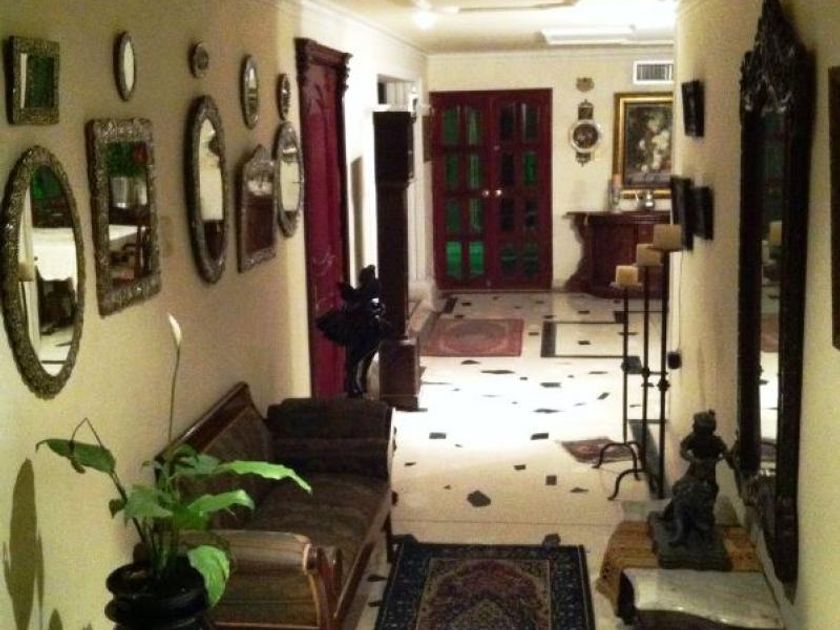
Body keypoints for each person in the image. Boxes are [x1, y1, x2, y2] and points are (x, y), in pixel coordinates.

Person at [660, 410, 732, 546]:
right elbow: (683, 450)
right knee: (681, 491)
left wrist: (728, 456)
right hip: (694, 471)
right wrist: (693, 460)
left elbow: (728, 458)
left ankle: (703, 529)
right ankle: (676, 523)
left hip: (708, 474)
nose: (692, 426)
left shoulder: (716, 442)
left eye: (695, 425)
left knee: (705, 499)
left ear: (703, 430)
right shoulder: (693, 437)